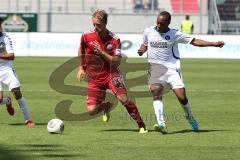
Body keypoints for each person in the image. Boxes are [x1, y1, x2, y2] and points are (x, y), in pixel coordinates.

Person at [138, 11, 224, 133]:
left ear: (168, 23)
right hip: (155, 69)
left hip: (172, 70)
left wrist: (214, 44)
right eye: (157, 22)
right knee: (156, 91)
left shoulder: (175, 34)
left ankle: (190, 118)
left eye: (161, 23)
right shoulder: (148, 31)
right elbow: (145, 43)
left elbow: (195, 41)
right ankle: (161, 123)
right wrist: (142, 49)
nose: (158, 25)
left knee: (182, 97)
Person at [77, 9, 148, 133]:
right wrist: (81, 67)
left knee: (124, 99)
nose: (95, 27)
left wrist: (102, 52)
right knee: (91, 111)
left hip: (111, 74)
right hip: (94, 77)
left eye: (98, 25)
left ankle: (141, 125)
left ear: (105, 23)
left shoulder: (115, 39)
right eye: (93, 24)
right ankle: (106, 106)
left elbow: (116, 62)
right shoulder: (86, 35)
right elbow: (81, 50)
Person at [0, 18, 35, 127]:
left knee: (17, 93)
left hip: (6, 68)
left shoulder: (5, 37)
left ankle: (28, 120)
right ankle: (7, 101)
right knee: (0, 99)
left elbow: (12, 56)